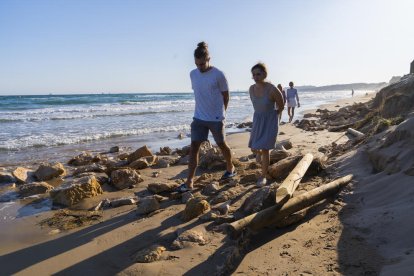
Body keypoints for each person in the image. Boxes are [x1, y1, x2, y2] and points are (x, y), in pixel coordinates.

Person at [177, 42, 236, 192]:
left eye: (202, 64)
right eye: (197, 64)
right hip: (198, 118)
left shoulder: (219, 74)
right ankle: (189, 182)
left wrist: (223, 113)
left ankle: (230, 167)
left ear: (209, 58)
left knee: (222, 145)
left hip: (216, 118)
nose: (200, 67)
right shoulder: (193, 74)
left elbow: (226, 96)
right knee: (194, 148)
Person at [248, 63, 284, 187]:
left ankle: (263, 176)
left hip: (270, 120)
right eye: (253, 75)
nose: (256, 77)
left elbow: (281, 105)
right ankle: (259, 154)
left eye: (258, 74)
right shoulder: (251, 89)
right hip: (258, 119)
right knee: (253, 147)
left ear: (264, 74)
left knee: (265, 149)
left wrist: (273, 117)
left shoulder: (272, 89)